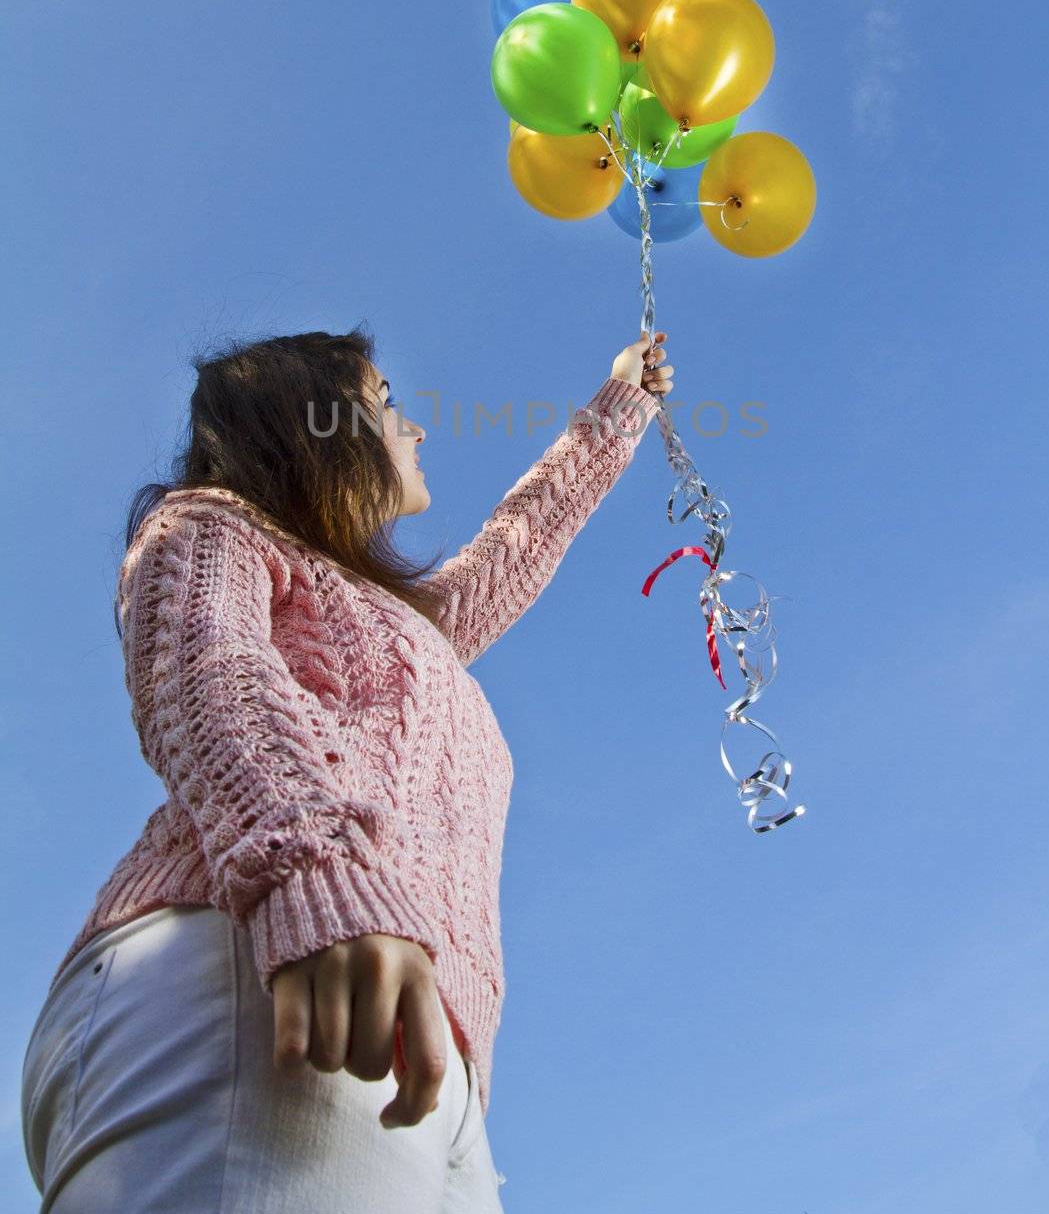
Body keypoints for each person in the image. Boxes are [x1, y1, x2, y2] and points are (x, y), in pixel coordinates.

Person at [21, 323, 672, 1213]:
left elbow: (515, 547)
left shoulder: (398, 628)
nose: (417, 429)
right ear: (315, 424)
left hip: (420, 1038)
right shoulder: (209, 525)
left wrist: (619, 404)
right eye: (388, 406)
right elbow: (211, 676)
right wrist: (313, 878)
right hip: (253, 956)